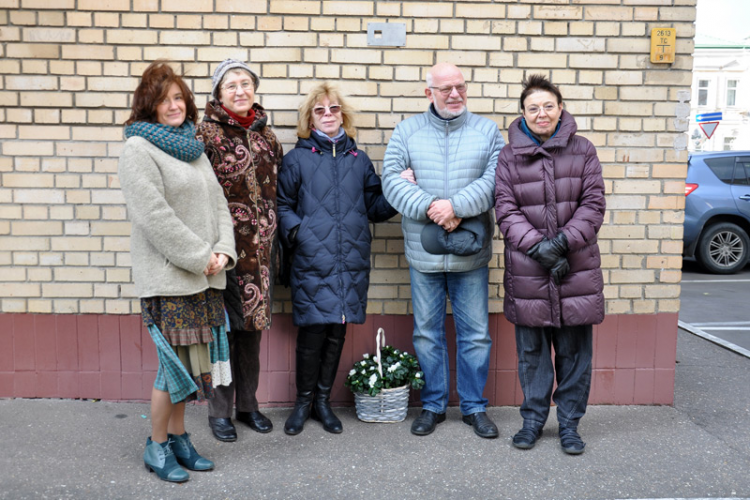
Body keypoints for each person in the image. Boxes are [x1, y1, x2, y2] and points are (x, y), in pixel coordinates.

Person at [118, 61, 237, 482]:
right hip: (171, 277)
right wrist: (199, 255)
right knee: (173, 367)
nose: (175, 106)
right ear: (149, 105)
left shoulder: (192, 147)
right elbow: (154, 216)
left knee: (191, 364)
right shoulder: (138, 150)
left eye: (180, 98)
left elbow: (218, 204)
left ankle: (179, 437)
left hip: (205, 277)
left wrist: (223, 250)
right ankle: (156, 445)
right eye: (165, 99)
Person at [382, 62, 504, 439]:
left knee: (476, 334)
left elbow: (497, 179)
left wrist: (456, 207)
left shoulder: (487, 131)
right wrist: (433, 206)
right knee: (427, 333)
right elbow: (390, 180)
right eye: (446, 88)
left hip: (471, 251)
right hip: (426, 253)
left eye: (460, 87)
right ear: (428, 93)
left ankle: (473, 407)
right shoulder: (407, 131)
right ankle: (433, 405)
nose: (455, 94)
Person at [494, 74, 606, 455]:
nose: (541, 114)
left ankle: (570, 425)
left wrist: (559, 245)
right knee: (532, 355)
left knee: (575, 354)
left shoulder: (583, 150)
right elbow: (506, 210)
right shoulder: (509, 156)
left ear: (560, 108)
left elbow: (593, 206)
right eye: (533, 108)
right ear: (522, 114)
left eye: (548, 106)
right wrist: (539, 249)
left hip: (575, 270)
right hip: (529, 272)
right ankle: (532, 422)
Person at [277, 82, 397, 435]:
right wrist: (300, 234)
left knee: (336, 333)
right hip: (312, 261)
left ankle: (324, 404)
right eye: (319, 110)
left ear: (342, 115)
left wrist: (397, 190)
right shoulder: (296, 159)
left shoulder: (359, 160)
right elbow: (282, 205)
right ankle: (302, 404)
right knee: (313, 333)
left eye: (333, 109)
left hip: (350, 262)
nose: (328, 115)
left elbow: (374, 207)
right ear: (309, 118)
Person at [196, 59, 283, 442]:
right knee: (223, 334)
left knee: (252, 334)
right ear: (218, 93)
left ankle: (248, 406)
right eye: (230, 85)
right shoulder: (205, 135)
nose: (239, 91)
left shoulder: (267, 136)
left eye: (246, 84)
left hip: (261, 255)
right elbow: (194, 195)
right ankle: (220, 413)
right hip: (224, 254)